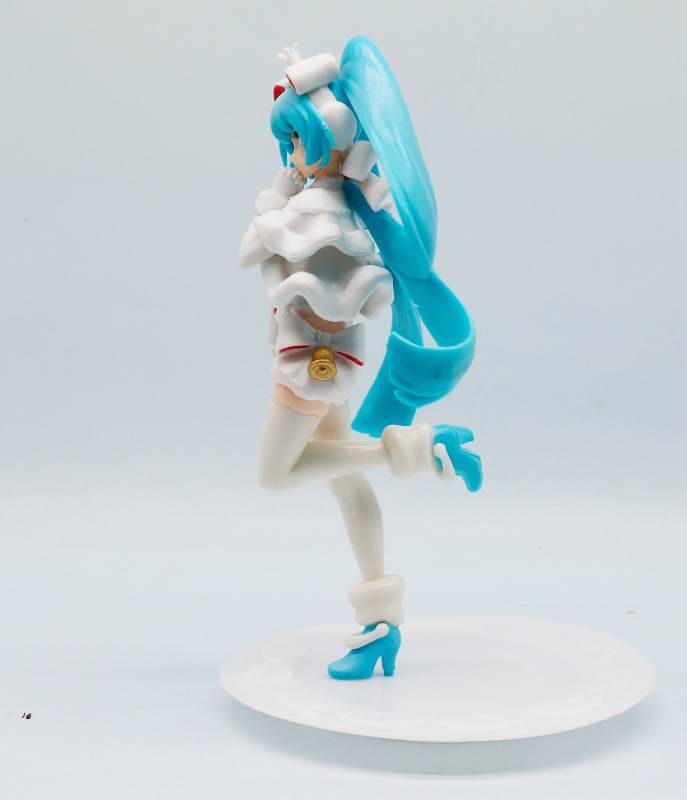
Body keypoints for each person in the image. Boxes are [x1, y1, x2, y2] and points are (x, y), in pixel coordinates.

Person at [238, 37, 481, 680]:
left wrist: (275, 202)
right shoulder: (346, 208)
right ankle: (381, 627)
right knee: (347, 485)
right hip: (328, 362)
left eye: (297, 139)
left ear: (327, 142)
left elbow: (277, 269)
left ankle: (421, 447)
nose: (291, 153)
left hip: (307, 362)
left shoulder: (316, 211)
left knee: (276, 473)